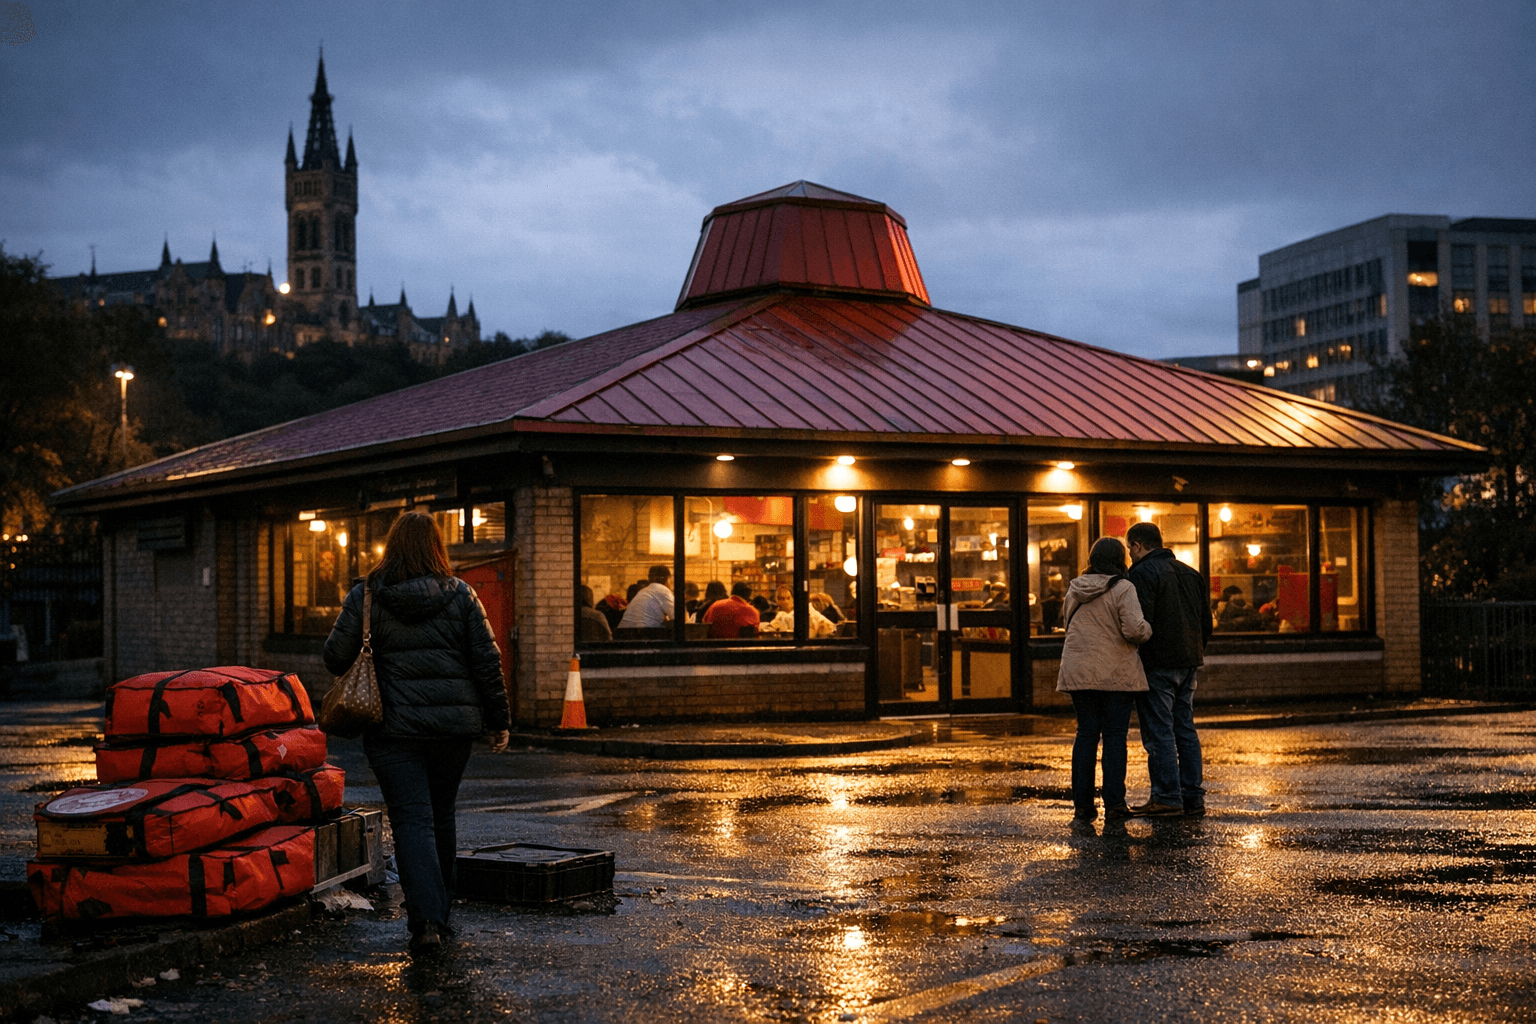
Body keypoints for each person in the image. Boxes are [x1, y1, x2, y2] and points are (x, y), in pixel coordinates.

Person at [322, 512, 509, 955]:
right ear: (437, 548)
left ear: (391, 548)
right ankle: (440, 912)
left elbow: (334, 658)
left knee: (411, 820)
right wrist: (498, 721)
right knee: (441, 816)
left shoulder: (366, 595)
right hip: (453, 729)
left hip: (392, 730)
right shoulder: (462, 595)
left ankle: (425, 920)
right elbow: (488, 662)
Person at [1056, 537, 1151, 823]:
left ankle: (1083, 806)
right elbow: (1134, 629)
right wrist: (1148, 629)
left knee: (1085, 735)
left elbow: (1066, 623)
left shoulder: (1075, 588)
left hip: (1079, 671)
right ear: (1120, 559)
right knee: (1113, 738)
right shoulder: (1123, 587)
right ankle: (1114, 803)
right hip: (1115, 674)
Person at [1125, 521, 1212, 818]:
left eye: (1130, 549)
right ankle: (1192, 796)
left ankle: (1166, 796)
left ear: (1138, 545)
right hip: (1189, 661)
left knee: (1159, 731)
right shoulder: (1191, 574)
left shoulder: (1140, 574)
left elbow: (1141, 624)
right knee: (1184, 728)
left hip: (1157, 663)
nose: (1130, 556)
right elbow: (1206, 623)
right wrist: (1194, 651)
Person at [760, 584, 836, 637]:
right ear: (776, 600)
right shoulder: (771, 615)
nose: (785, 602)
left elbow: (830, 629)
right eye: (781, 598)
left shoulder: (808, 612)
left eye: (788, 598)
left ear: (793, 599)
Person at [618, 565, 674, 629]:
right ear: (668, 578)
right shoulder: (663, 590)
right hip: (643, 634)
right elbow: (679, 617)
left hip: (622, 634)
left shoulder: (643, 591)